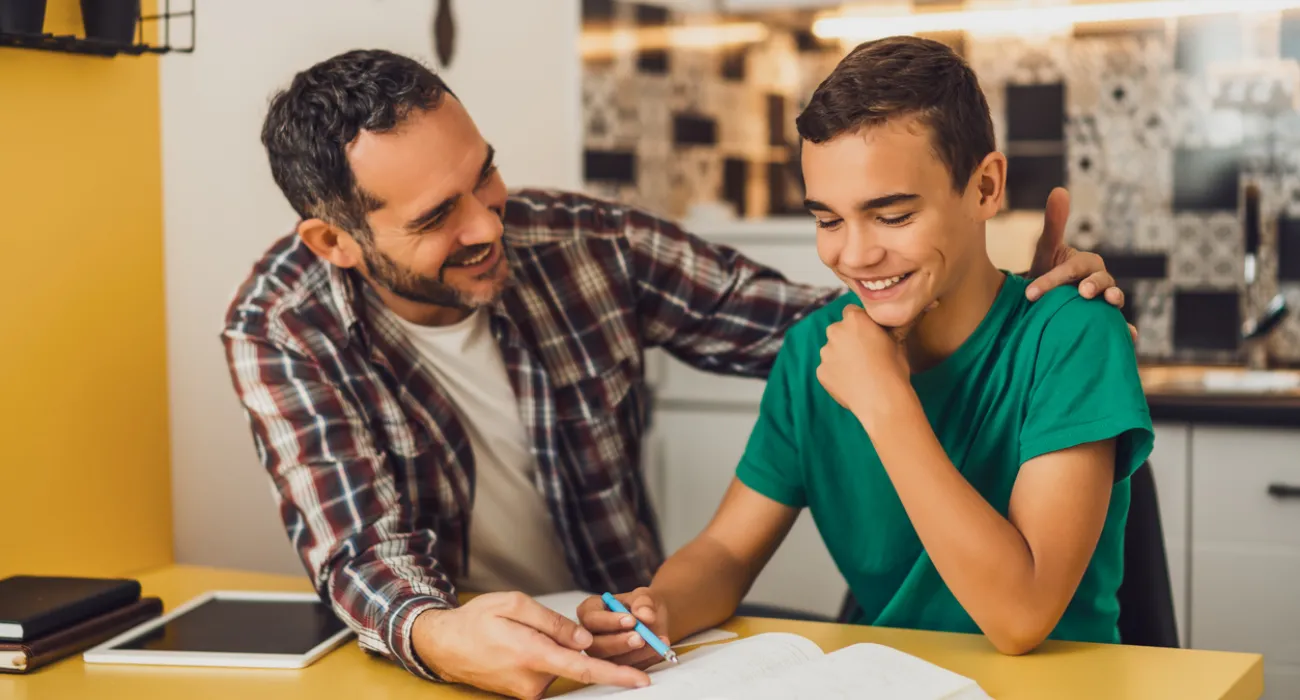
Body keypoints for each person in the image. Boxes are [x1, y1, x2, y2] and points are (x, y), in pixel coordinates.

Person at [222, 48, 1127, 699]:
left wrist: (1022, 289)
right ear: (334, 241)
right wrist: (443, 633)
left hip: (621, 639)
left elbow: (839, 317)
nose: (489, 224)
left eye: (484, 178)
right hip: (468, 655)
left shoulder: (589, 245)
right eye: (434, 218)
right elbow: (357, 552)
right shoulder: (280, 327)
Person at [579, 36, 1154, 669]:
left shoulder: (1073, 335)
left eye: (894, 216)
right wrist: (659, 606)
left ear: (985, 187)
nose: (853, 256)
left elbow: (1021, 619)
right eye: (828, 221)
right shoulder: (813, 353)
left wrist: (885, 400)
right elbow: (728, 551)